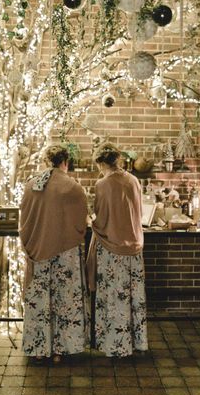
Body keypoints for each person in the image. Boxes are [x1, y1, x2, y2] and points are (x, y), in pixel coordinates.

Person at [19, 145, 89, 362]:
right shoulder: (73, 187)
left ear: (45, 162)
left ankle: (39, 349)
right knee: (65, 300)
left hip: (39, 249)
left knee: (40, 300)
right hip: (65, 250)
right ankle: (61, 350)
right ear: (65, 162)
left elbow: (24, 219)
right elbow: (81, 223)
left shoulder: (31, 186)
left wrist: (30, 243)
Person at [87, 142, 148, 357]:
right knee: (131, 296)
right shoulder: (133, 180)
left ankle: (114, 344)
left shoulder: (103, 184)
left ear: (102, 162)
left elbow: (101, 218)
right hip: (134, 244)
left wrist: (91, 221)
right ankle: (135, 342)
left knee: (113, 297)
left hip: (111, 246)